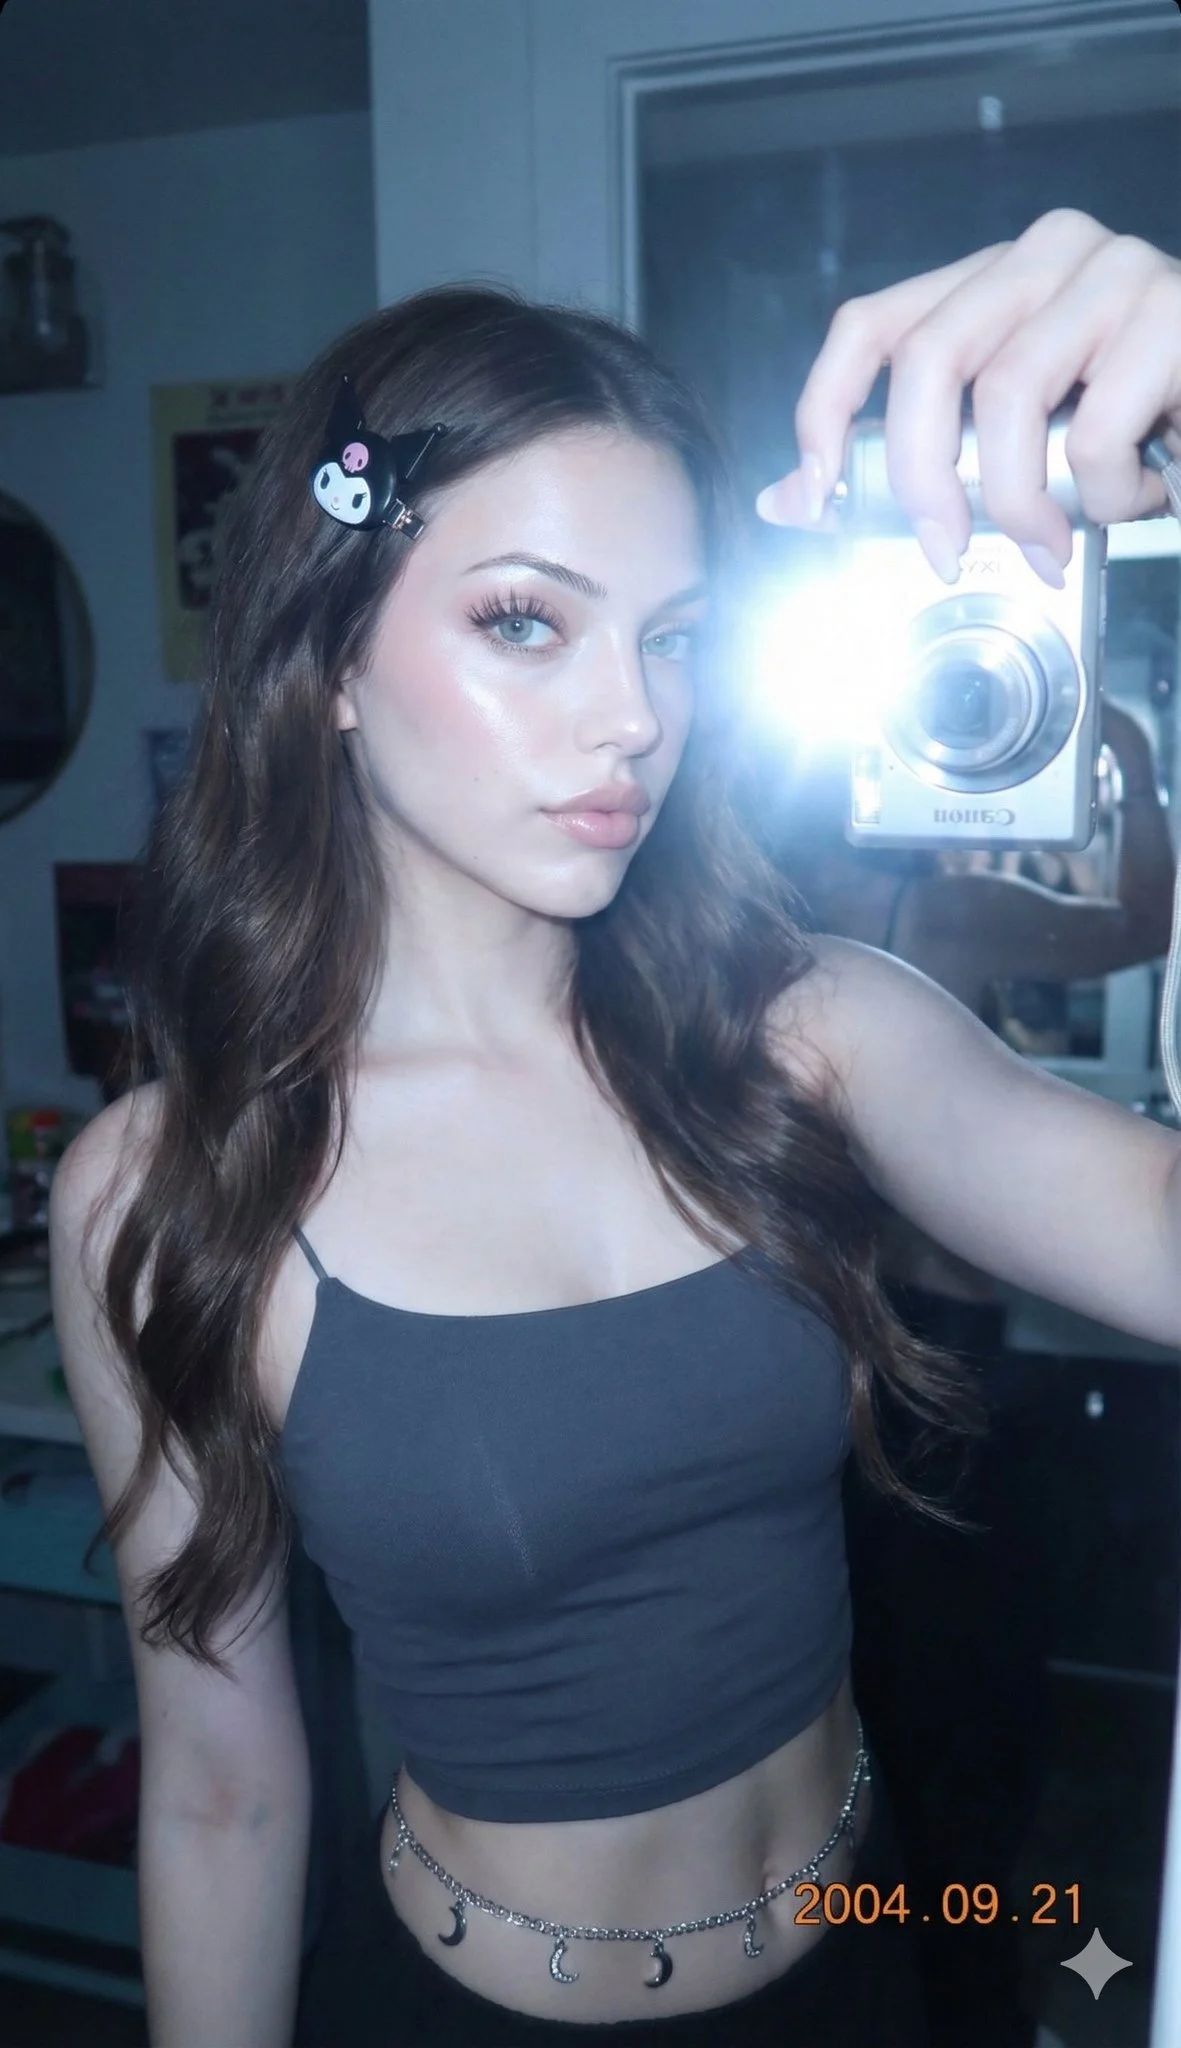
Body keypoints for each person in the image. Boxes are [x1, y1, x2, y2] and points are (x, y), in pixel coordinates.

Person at [48, 208, 1181, 2048]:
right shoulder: (173, 1193)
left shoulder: (801, 1033)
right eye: (527, 622)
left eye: (676, 638)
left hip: (869, 1967)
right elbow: (224, 1792)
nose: (635, 717)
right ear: (331, 663)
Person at [761, 699, 1175, 2044]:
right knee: (973, 1711)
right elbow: (1140, 923)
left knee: (857, 1701)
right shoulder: (929, 920)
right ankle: (971, 2002)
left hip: (803, 1351)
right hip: (940, 1360)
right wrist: (1129, 760)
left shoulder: (738, 940)